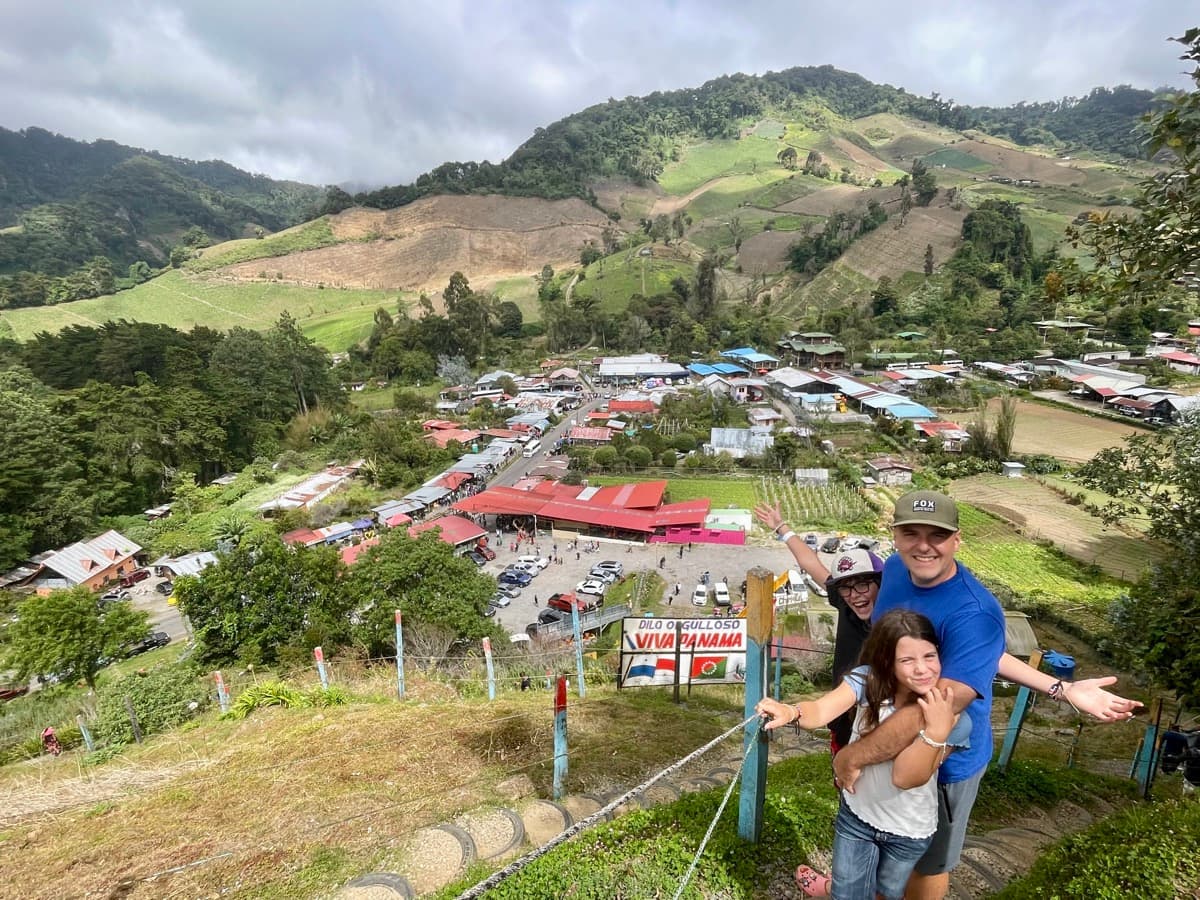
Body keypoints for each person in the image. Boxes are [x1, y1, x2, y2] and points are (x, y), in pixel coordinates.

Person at [757, 492, 1142, 900]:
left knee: (926, 859)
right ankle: (851, 888)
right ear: (896, 536)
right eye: (911, 533)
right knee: (870, 823)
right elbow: (979, 653)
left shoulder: (974, 609)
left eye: (937, 535)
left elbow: (940, 702)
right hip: (876, 732)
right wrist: (1058, 686)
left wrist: (852, 756)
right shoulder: (895, 571)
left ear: (957, 540)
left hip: (945, 752)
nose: (924, 545)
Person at [757, 610, 969, 899]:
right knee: (848, 894)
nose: (922, 669)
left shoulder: (954, 717)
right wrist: (792, 711)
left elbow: (907, 776)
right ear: (886, 661)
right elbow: (822, 709)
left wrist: (936, 732)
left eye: (929, 656)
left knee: (885, 895)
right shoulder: (868, 681)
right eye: (907, 660)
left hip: (908, 831)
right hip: (857, 816)